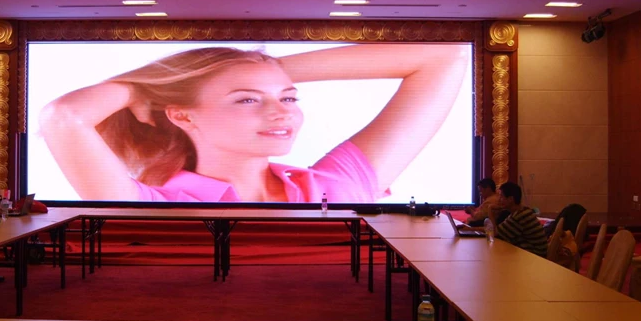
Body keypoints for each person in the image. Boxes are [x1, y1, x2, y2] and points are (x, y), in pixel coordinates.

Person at [39, 45, 468, 202]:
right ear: (181, 114)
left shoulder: (340, 184)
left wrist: (255, 70)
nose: (282, 113)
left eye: (288, 97)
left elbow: (443, 56)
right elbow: (65, 116)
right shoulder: (150, 204)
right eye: (247, 99)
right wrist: (143, 88)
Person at [493, 182, 548, 257]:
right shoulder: (522, 211)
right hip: (535, 253)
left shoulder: (519, 216)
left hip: (535, 256)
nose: (499, 200)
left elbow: (494, 233)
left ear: (510, 199)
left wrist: (491, 213)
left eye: (501, 196)